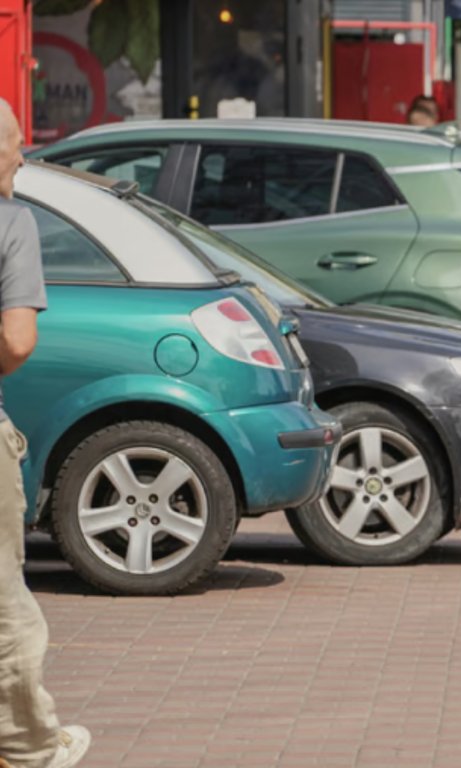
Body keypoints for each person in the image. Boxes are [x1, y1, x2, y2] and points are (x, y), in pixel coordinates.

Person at [0, 99, 91, 768]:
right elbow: (16, 341)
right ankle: (29, 748)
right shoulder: (11, 223)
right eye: (13, 144)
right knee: (4, 604)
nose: (24, 158)